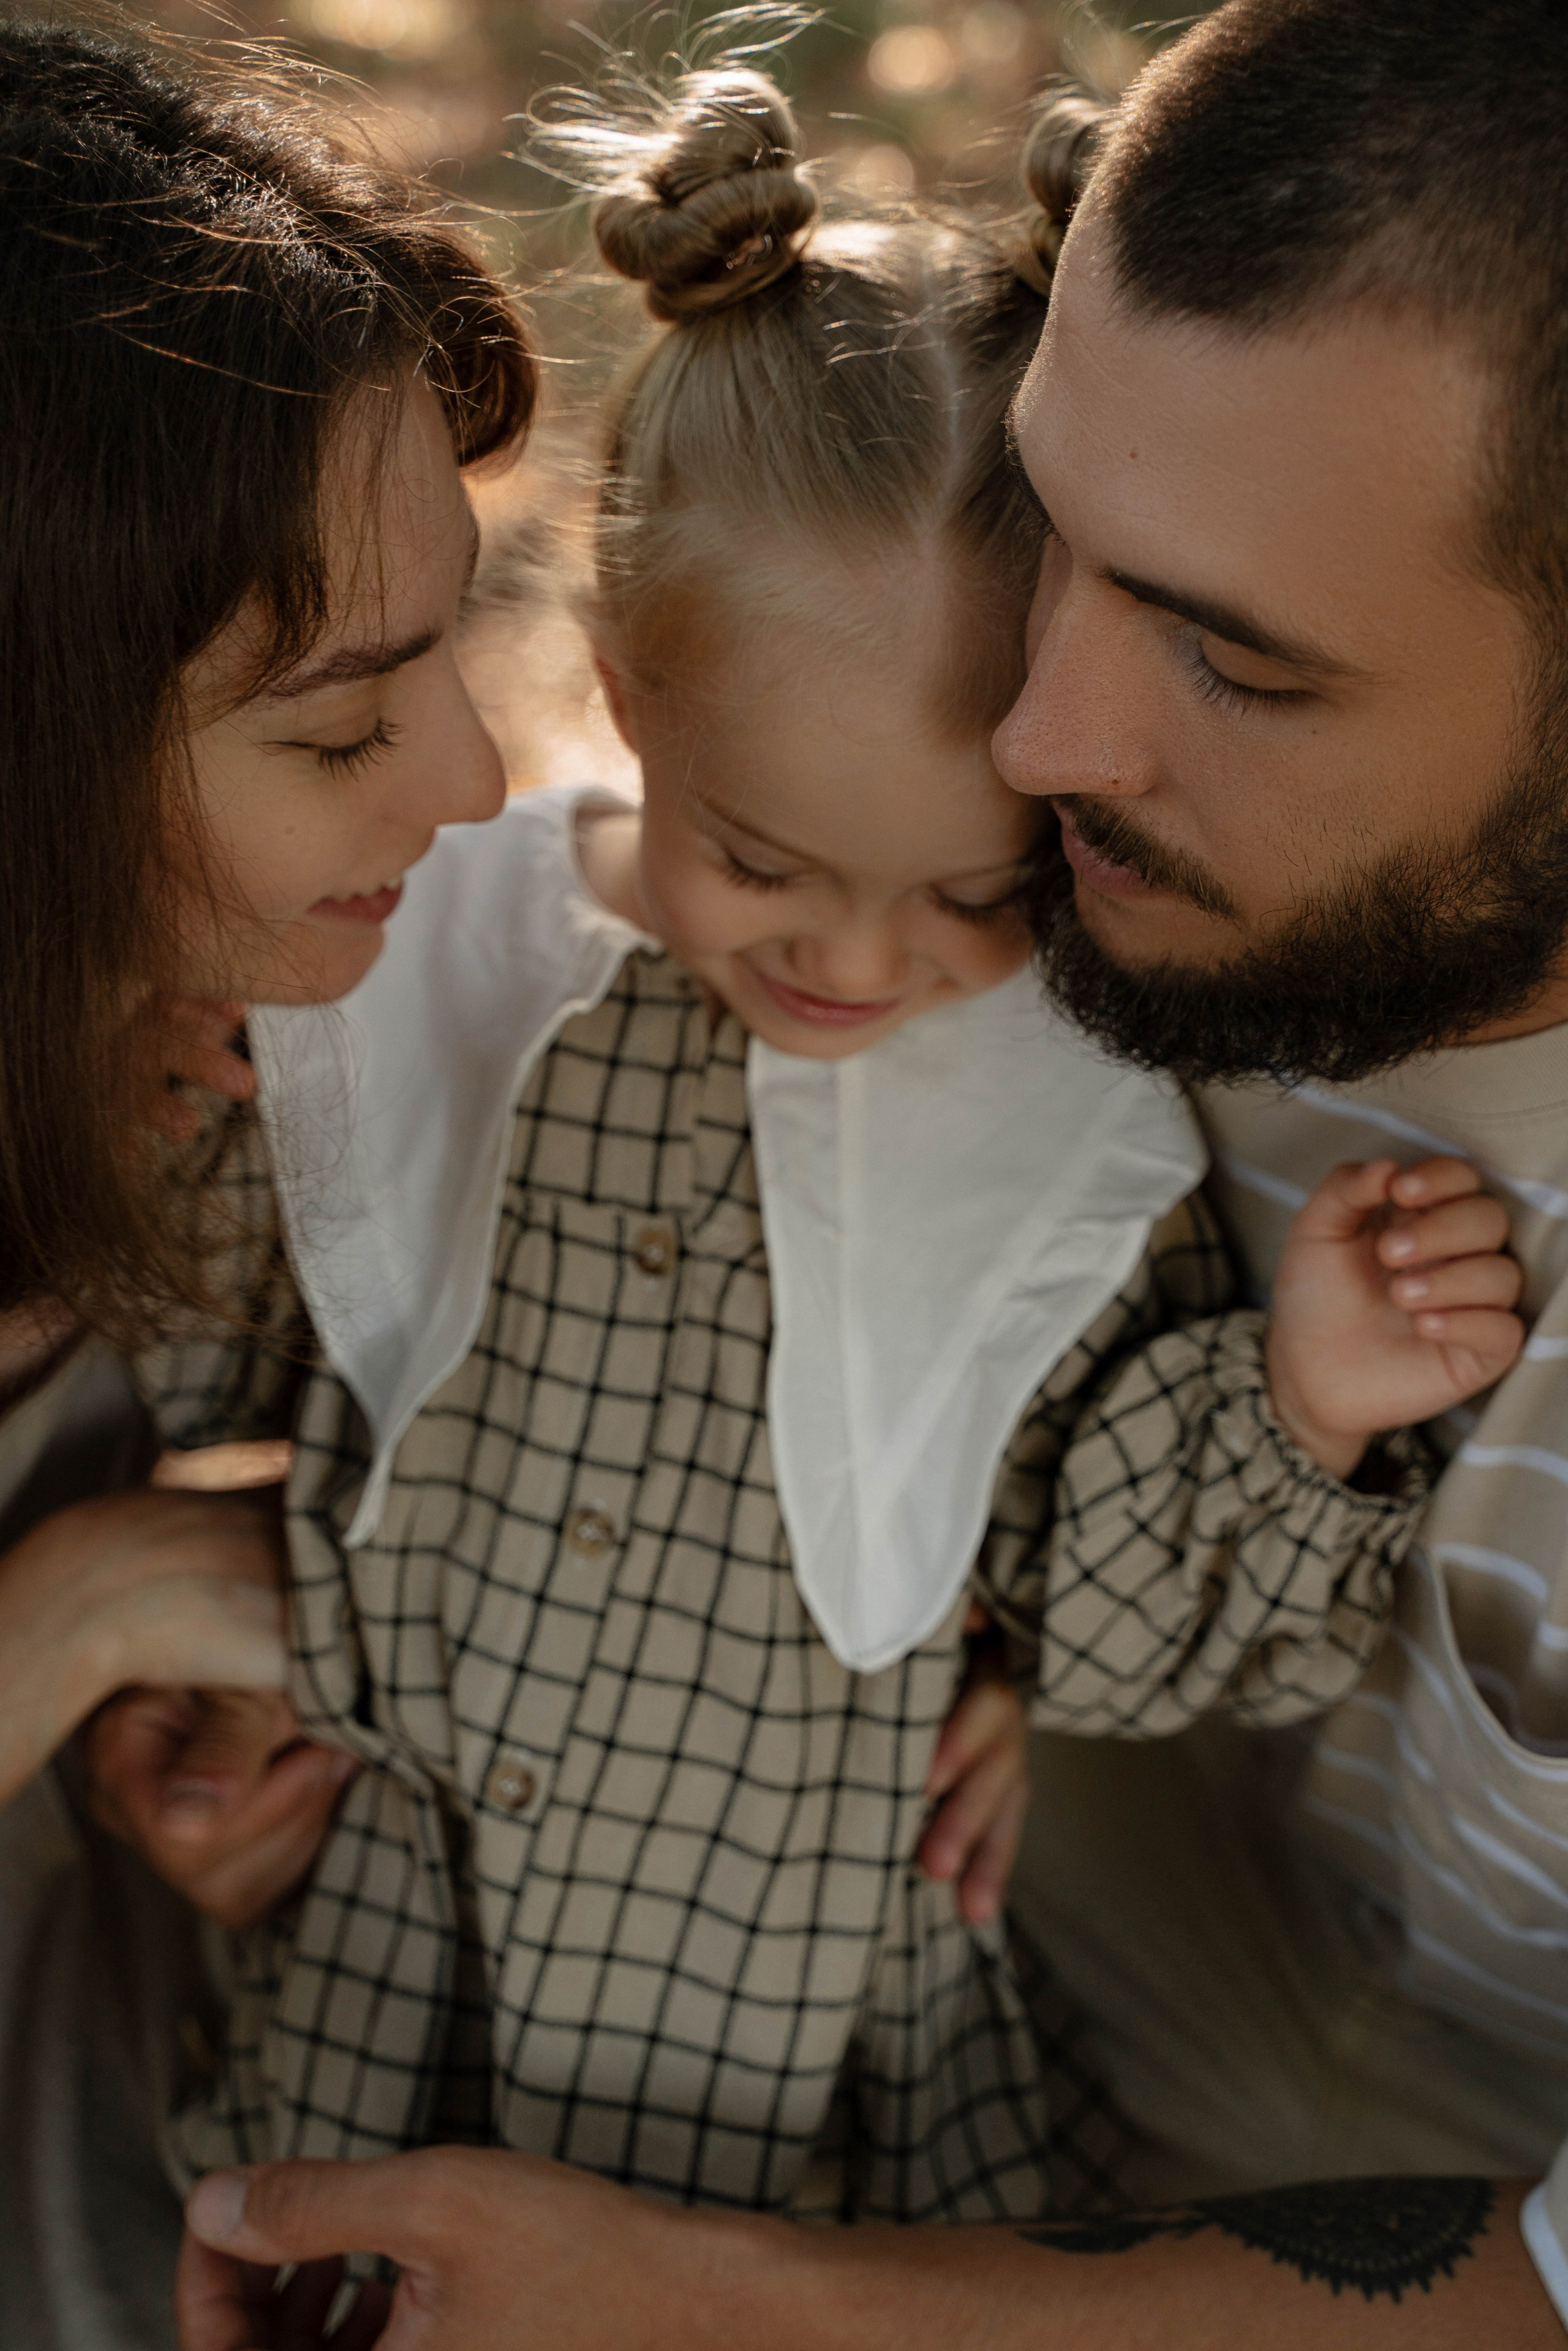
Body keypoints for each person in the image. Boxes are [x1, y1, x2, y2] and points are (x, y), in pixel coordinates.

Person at [175, 0, 1568, 2343]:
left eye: (1233, 660)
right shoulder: (1129, 920)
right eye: (1065, 542)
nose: (1033, 745)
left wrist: (721, 2297)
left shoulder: (1091, 1026)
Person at [0, 15, 535, 2343]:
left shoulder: (220, 1062)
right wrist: (88, 1613)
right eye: (338, 725)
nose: (482, 778)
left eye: (453, 654)